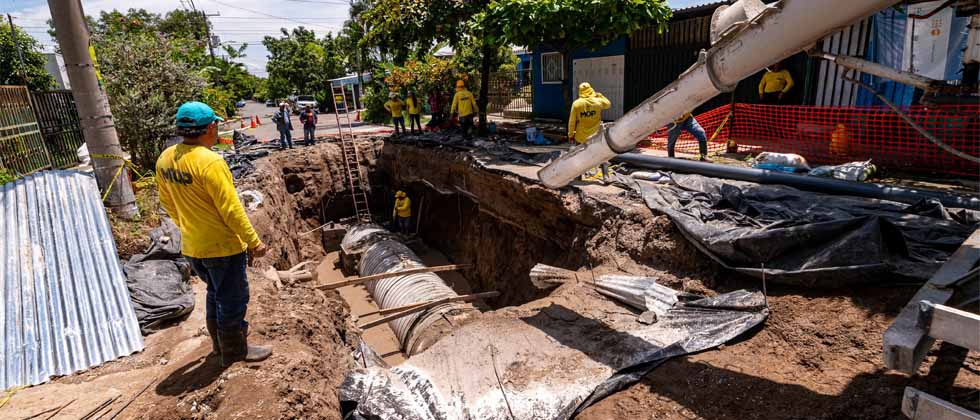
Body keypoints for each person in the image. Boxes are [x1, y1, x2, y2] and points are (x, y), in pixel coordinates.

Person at [156, 101, 272, 367]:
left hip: (193, 246)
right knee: (232, 299)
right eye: (217, 124)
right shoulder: (210, 162)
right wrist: (254, 242)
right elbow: (232, 210)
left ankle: (219, 346)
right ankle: (234, 352)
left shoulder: (165, 159)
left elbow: (168, 203)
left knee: (214, 293)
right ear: (209, 127)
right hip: (222, 246)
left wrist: (189, 225)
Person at [567, 82, 612, 180]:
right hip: (596, 136)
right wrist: (600, 95)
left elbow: (572, 121)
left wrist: (570, 134)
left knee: (579, 155)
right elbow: (608, 104)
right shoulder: (598, 101)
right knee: (603, 154)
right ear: (591, 89)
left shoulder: (577, 104)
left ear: (580, 91)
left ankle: (578, 177)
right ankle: (606, 176)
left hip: (581, 136)